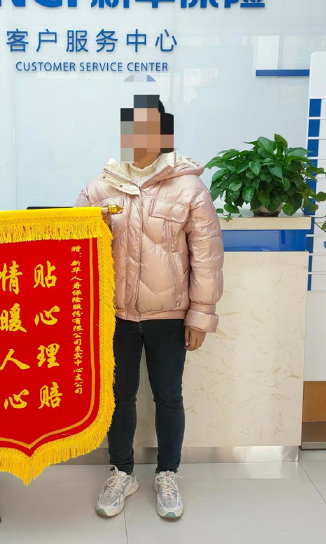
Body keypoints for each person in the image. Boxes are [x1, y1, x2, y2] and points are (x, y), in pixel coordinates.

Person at [75, 94, 224, 519]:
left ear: (164, 133)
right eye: (134, 127)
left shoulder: (190, 188)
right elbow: (75, 247)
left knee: (168, 396)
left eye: (151, 127)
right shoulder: (100, 187)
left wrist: (200, 314)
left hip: (169, 315)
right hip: (116, 316)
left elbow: (207, 256)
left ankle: (167, 474)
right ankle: (121, 472)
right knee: (119, 396)